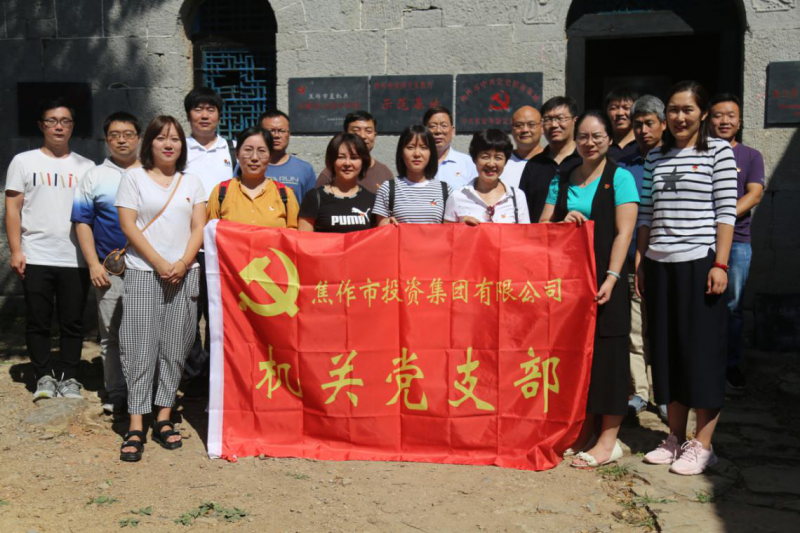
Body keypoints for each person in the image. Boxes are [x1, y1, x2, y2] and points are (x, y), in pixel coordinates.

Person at [636, 81, 737, 475]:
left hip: (700, 263)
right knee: (667, 352)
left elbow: (725, 211)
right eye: (673, 110)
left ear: (703, 113)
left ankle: (703, 444)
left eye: (687, 109)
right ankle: (674, 438)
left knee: (702, 352)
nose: (679, 117)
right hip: (659, 264)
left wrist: (720, 265)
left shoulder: (719, 152)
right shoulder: (655, 157)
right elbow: (646, 214)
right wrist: (641, 262)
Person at [540, 111, 639, 468]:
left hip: (606, 282)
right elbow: (542, 225)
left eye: (597, 136)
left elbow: (624, 234)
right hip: (570, 285)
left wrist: (611, 277)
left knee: (609, 358)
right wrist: (562, 222)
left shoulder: (620, 178)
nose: (590, 142)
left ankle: (609, 440)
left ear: (609, 139)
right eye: (583, 136)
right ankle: (584, 431)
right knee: (578, 358)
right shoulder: (563, 177)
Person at [115, 116, 207, 462]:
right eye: (161, 138)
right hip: (143, 272)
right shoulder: (133, 177)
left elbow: (199, 227)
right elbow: (128, 225)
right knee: (140, 347)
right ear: (149, 143)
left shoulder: (192, 181)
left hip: (184, 274)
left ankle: (164, 416)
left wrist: (182, 263)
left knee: (175, 347)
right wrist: (158, 262)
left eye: (175, 139)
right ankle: (136, 423)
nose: (169, 144)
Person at [4, 98, 94, 401]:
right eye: (52, 121)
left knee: (73, 322)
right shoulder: (23, 161)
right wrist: (16, 250)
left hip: (75, 256)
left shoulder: (86, 166)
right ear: (42, 125)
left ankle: (70, 377)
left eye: (65, 121)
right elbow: (13, 208)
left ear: (72, 127)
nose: (59, 126)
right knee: (38, 320)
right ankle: (43, 375)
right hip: (36, 254)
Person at [71, 111, 142, 414]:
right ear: (106, 140)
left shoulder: (153, 173)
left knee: (146, 333)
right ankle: (117, 393)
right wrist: (93, 264)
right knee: (111, 335)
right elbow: (82, 222)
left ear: (139, 138)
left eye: (128, 134)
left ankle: (145, 391)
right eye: (114, 135)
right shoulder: (94, 176)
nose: (121, 140)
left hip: (149, 268)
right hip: (110, 269)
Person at [708, 93, 765, 390]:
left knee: (732, 306)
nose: (724, 121)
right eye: (718, 115)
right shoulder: (699, 153)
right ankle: (704, 362)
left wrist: (720, 219)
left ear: (740, 122)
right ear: (708, 120)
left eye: (731, 116)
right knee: (702, 304)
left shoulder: (751, 156)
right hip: (702, 242)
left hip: (738, 243)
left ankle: (731, 365)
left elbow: (754, 195)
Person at [617, 96, 668, 421]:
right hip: (632, 261)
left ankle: (665, 393)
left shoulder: (674, 159)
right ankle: (640, 391)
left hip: (667, 260)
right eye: (638, 125)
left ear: (663, 124)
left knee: (663, 330)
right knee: (635, 330)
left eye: (650, 123)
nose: (643, 130)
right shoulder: (624, 165)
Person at [182, 87, 234, 398]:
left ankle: (216, 373)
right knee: (189, 315)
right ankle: (192, 375)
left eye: (210, 109)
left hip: (223, 248)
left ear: (218, 115)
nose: (204, 115)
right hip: (188, 247)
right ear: (189, 114)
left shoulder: (232, 149)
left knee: (219, 315)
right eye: (198, 109)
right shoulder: (179, 149)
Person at [207, 126, 299, 228]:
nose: (254, 158)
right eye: (248, 150)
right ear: (237, 154)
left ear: (270, 156)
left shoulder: (285, 195)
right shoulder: (220, 192)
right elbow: (210, 233)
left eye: (261, 151)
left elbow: (294, 234)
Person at [444, 129, 531, 225]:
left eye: (498, 158)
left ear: (505, 161)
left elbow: (524, 233)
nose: (491, 164)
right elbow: (447, 232)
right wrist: (460, 227)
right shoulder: (457, 196)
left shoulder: (517, 197)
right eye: (485, 157)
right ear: (474, 159)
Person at [519, 96, 582, 222]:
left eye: (560, 118)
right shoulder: (534, 164)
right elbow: (522, 210)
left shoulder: (584, 160)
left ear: (575, 120)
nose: (554, 125)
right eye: (548, 120)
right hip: (538, 233)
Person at [374, 125, 453, 225]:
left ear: (431, 153)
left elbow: (450, 229)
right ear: (401, 152)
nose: (417, 154)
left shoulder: (445, 190)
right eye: (410, 147)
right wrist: (387, 223)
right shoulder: (387, 189)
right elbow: (381, 229)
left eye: (423, 148)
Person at [299, 133, 375, 233]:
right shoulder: (314, 198)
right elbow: (304, 239)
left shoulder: (372, 200)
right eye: (341, 157)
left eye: (354, 157)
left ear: (363, 161)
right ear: (332, 160)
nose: (347, 163)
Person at [315, 111, 394, 193]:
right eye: (356, 131)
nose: (362, 136)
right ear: (346, 134)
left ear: (375, 135)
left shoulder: (385, 173)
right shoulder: (329, 174)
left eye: (368, 131)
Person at [259, 110, 316, 202]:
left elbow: (312, 205)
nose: (276, 135)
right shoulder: (248, 167)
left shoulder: (305, 169)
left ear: (289, 134)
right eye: (271, 131)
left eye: (281, 131)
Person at [423, 106, 477, 190]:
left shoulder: (468, 163)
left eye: (444, 125)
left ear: (452, 130)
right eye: (432, 126)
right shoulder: (418, 163)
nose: (438, 131)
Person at [502, 106, 544, 189]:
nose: (525, 130)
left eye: (531, 125)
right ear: (512, 129)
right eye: (518, 125)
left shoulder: (551, 161)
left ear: (542, 128)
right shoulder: (501, 161)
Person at [606, 87, 639, 162]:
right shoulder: (601, 144)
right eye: (614, 108)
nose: (620, 113)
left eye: (626, 108)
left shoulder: (644, 143)